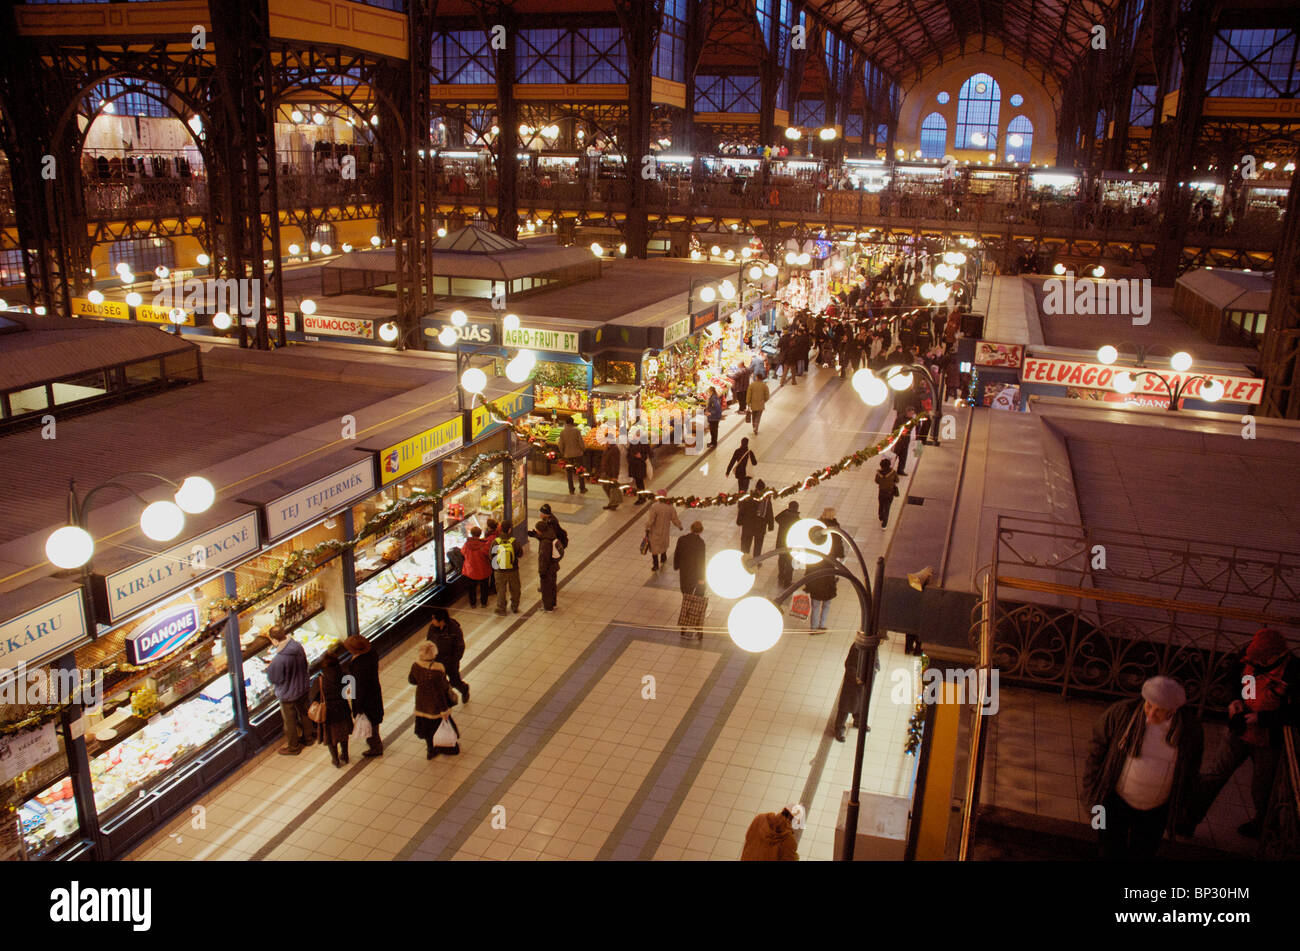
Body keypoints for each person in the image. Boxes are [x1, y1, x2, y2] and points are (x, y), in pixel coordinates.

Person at [1183, 628, 1300, 839]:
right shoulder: (1249, 656)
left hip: (1267, 739)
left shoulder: (1293, 671)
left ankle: (1263, 826)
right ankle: (1188, 820)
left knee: (1262, 787)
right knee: (1214, 775)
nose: (1256, 663)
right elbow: (1233, 679)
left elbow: (1296, 712)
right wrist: (1234, 700)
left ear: (1275, 655)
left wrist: (1263, 719)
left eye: (1261, 661)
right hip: (1239, 729)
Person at [1082, 676, 1203, 860]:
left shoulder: (1190, 730)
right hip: (1115, 800)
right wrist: (1092, 794)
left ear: (1173, 711)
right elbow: (1096, 751)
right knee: (1109, 850)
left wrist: (1182, 808)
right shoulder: (1122, 714)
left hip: (1156, 809)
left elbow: (1191, 771)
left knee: (1143, 853)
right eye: (1148, 706)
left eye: (1159, 711)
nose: (1151, 715)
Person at [267, 624, 313, 755]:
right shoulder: (296, 646)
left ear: (274, 640)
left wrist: (269, 668)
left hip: (288, 694)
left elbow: (274, 679)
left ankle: (294, 746)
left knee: (290, 721)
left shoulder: (279, 659)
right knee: (304, 712)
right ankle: (308, 737)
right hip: (303, 687)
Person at [409, 642, 460, 760]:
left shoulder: (415, 666)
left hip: (421, 702)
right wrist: (444, 710)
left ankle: (430, 750)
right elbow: (440, 692)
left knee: (427, 729)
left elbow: (412, 680)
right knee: (440, 727)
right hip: (436, 706)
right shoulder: (438, 670)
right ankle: (445, 747)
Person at [803, 508, 845, 631]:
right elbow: (839, 546)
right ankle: (822, 625)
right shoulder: (835, 529)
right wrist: (839, 557)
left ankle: (814, 627)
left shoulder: (816, 527)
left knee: (815, 602)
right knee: (827, 603)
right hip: (828, 575)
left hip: (816, 572)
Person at [312, 646, 354, 767]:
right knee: (343, 734)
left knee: (331, 738)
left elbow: (313, 698)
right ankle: (345, 755)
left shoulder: (320, 680)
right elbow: (351, 692)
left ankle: (335, 759)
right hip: (343, 709)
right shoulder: (345, 675)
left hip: (328, 713)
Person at [343, 634, 384, 757]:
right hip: (374, 694)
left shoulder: (360, 666)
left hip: (367, 700)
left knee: (370, 724)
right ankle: (376, 744)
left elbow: (360, 688)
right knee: (374, 723)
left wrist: (358, 707)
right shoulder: (371, 654)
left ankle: (376, 747)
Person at [673, 521, 707, 640]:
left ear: (691, 528)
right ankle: (698, 629)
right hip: (697, 577)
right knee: (697, 603)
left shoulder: (682, 540)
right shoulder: (701, 543)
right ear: (701, 531)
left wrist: (677, 566)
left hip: (685, 575)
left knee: (686, 600)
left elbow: (677, 554)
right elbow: (701, 562)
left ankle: (684, 628)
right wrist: (702, 578)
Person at [426, 606, 469, 700]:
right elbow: (429, 641)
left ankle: (464, 689)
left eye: (434, 619)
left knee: (455, 682)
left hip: (451, 663)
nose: (432, 621)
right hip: (437, 662)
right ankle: (446, 701)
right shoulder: (432, 628)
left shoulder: (454, 630)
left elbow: (460, 647)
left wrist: (453, 661)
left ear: (441, 621)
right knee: (441, 683)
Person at [832, 636, 868, 742]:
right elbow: (849, 665)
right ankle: (839, 729)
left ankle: (858, 722)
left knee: (861, 704)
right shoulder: (857, 648)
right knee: (846, 707)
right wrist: (856, 678)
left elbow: (875, 660)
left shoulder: (872, 647)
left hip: (863, 683)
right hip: (852, 683)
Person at [528, 515, 562, 611]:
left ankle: (548, 607)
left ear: (540, 530)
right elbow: (543, 537)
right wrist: (535, 535)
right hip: (554, 566)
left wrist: (542, 572)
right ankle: (553, 603)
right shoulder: (551, 534)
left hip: (547, 569)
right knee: (552, 586)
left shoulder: (545, 544)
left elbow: (544, 559)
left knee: (546, 589)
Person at [736, 479, 774, 558]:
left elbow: (742, 510)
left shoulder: (748, 498)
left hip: (748, 526)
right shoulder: (766, 500)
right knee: (758, 546)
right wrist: (771, 525)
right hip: (760, 527)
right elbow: (769, 513)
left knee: (745, 546)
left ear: (756, 488)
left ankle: (744, 560)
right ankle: (756, 561)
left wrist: (739, 521)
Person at [645, 489, 681, 571]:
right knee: (663, 544)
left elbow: (651, 520)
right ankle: (663, 557)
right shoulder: (670, 506)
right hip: (665, 530)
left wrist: (646, 527)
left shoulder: (655, 507)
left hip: (655, 530)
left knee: (655, 547)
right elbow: (674, 518)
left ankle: (656, 565)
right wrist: (679, 525)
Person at [490, 522, 522, 615]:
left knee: (501, 590)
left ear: (500, 530)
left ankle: (501, 609)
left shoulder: (496, 541)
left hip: (499, 571)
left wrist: (496, 568)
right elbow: (520, 554)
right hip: (513, 570)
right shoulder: (514, 541)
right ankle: (514, 607)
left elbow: (491, 556)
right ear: (509, 530)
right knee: (515, 589)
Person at [461, 525, 493, 608]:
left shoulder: (467, 545)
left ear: (471, 534)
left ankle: (473, 603)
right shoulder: (484, 545)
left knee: (471, 589)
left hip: (470, 571)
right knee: (484, 587)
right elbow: (489, 555)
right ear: (480, 534)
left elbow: (462, 552)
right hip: (483, 571)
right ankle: (484, 603)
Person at [774, 500, 801, 588]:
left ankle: (781, 575)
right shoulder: (797, 520)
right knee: (790, 563)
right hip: (791, 545)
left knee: (781, 559)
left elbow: (776, 518)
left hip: (781, 543)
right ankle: (787, 581)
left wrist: (786, 511)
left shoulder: (784, 517)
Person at [558, 415, 587, 494]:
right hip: (578, 454)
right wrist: (583, 449)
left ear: (566, 423)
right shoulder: (576, 431)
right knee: (580, 471)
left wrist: (563, 453)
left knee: (569, 473)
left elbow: (560, 444)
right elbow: (581, 442)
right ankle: (582, 488)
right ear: (573, 423)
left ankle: (571, 489)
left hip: (567, 455)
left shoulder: (562, 432)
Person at [876, 458, 900, 528]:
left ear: (881, 466)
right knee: (887, 508)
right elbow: (897, 480)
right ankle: (884, 525)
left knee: (881, 504)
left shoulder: (879, 473)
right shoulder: (893, 472)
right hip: (890, 492)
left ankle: (881, 516)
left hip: (881, 492)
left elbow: (876, 481)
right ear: (889, 465)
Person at [627, 438, 651, 505]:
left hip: (640, 467)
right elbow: (629, 452)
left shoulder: (644, 443)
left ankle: (642, 498)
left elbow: (650, 454)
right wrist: (629, 458)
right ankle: (641, 497)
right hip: (633, 466)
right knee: (638, 482)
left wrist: (641, 456)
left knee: (640, 482)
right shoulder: (632, 442)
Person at [600, 441, 623, 509]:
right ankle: (612, 502)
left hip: (611, 473)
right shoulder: (608, 448)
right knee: (606, 487)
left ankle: (614, 503)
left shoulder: (615, 449)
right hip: (606, 472)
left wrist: (615, 476)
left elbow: (616, 464)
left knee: (613, 488)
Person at [893, 407, 915, 476]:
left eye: (913, 413)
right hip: (899, 439)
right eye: (911, 413)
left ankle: (900, 470)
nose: (912, 415)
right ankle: (889, 468)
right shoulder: (900, 418)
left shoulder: (912, 419)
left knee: (904, 456)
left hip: (906, 440)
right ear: (907, 412)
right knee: (895, 455)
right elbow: (894, 428)